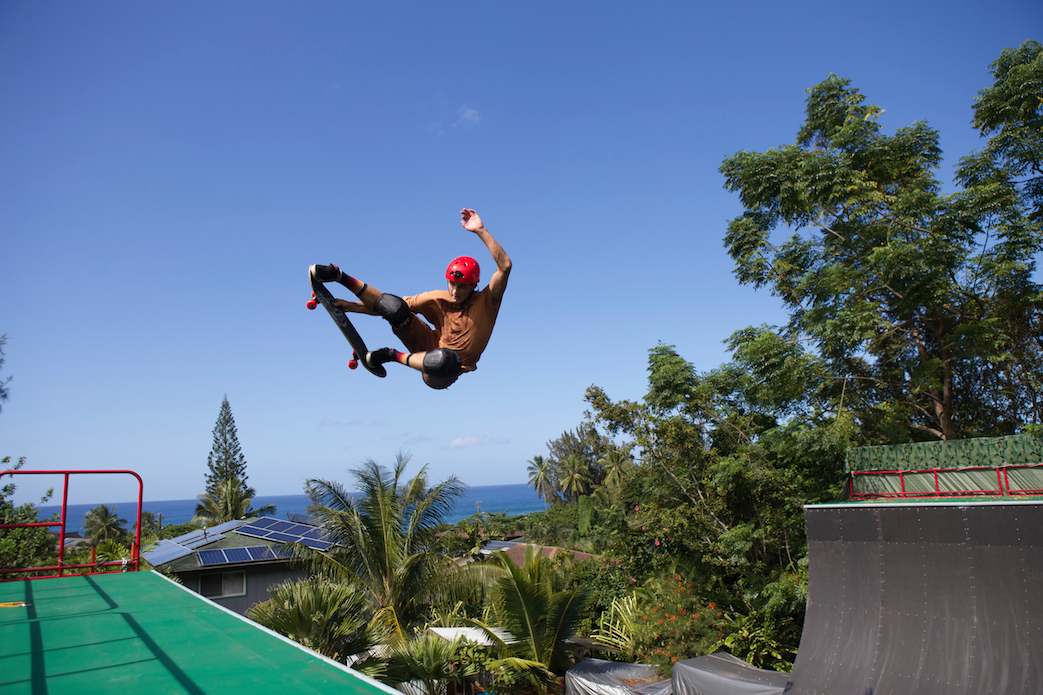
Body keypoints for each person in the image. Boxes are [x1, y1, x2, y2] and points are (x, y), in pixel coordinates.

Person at [318, 208, 512, 390]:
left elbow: (505, 266)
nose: (455, 291)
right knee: (396, 307)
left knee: (446, 359)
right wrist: (351, 307)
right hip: (426, 345)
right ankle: (338, 275)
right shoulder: (437, 298)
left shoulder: (487, 301)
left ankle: (390, 355)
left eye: (462, 287)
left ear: (473, 285)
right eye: (452, 284)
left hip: (447, 371)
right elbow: (387, 307)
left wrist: (480, 230)